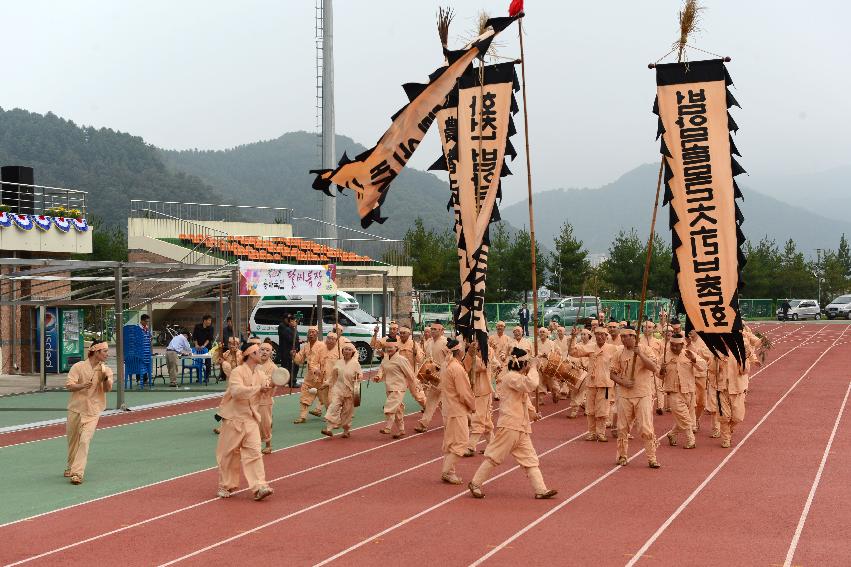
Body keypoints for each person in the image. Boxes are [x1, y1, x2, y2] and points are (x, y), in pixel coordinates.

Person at [468, 348, 557, 500]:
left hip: (521, 427)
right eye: (527, 364)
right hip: (509, 425)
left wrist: (533, 414)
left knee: (530, 460)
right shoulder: (511, 377)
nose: (528, 366)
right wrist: (535, 367)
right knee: (494, 457)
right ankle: (475, 483)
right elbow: (531, 384)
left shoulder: (518, 379)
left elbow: (525, 399)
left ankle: (541, 490)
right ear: (520, 364)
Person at [215, 343, 274, 501]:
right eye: (259, 351)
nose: (262, 353)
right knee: (228, 454)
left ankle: (259, 486)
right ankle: (225, 485)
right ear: (250, 354)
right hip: (233, 419)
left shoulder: (260, 374)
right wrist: (257, 388)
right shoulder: (237, 372)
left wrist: (268, 387)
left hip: (251, 419)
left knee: (255, 453)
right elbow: (236, 392)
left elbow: (266, 388)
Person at [64, 340, 114, 485]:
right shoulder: (78, 367)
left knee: (85, 440)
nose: (107, 354)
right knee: (73, 441)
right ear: (96, 351)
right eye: (104, 351)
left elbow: (107, 389)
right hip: (75, 408)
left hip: (93, 410)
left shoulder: (106, 370)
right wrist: (81, 386)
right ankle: (71, 466)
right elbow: (69, 385)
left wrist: (105, 380)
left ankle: (77, 473)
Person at [610, 327, 661, 468]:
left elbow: (653, 367)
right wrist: (623, 382)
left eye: (627, 336)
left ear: (634, 336)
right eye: (622, 336)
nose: (624, 339)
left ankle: (652, 458)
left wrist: (640, 355)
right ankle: (622, 455)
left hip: (643, 394)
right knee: (622, 428)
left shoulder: (645, 350)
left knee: (646, 428)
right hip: (625, 394)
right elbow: (612, 373)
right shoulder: (618, 352)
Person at [570, 327, 620, 442]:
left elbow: (624, 353)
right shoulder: (590, 347)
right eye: (597, 334)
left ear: (606, 336)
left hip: (605, 384)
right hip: (591, 383)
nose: (600, 336)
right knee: (590, 410)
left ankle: (601, 433)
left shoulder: (613, 348)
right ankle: (592, 433)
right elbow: (573, 352)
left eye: (602, 334)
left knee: (603, 410)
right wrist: (573, 337)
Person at [659, 334, 706, 449]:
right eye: (672, 345)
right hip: (673, 391)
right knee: (685, 417)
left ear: (682, 345)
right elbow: (659, 375)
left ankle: (672, 434)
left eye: (677, 346)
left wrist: (693, 359)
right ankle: (691, 440)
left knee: (685, 416)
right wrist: (662, 370)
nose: (674, 348)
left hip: (689, 391)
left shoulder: (689, 354)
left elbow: (703, 367)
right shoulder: (664, 356)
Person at [439, 339, 475, 485]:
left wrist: (471, 354)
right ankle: (447, 471)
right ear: (459, 351)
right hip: (456, 410)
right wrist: (472, 406)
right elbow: (464, 392)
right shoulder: (456, 368)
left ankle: (450, 471)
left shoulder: (446, 365)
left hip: (448, 409)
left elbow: (463, 367)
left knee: (450, 443)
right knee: (461, 443)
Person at [373, 338, 415, 439]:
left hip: (399, 387)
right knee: (398, 410)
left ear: (396, 347)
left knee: (389, 406)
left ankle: (388, 427)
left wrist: (416, 384)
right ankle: (401, 430)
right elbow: (382, 369)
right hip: (389, 386)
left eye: (391, 347)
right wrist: (378, 376)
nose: (388, 349)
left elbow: (410, 374)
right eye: (387, 347)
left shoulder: (402, 360)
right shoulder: (385, 358)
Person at [322, 343, 363, 438]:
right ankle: (329, 429)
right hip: (338, 389)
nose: (347, 351)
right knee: (333, 407)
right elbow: (333, 376)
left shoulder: (355, 364)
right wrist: (327, 383)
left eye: (349, 350)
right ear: (342, 351)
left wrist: (357, 377)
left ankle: (346, 430)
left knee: (346, 413)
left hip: (350, 391)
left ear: (352, 352)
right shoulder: (338, 362)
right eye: (345, 349)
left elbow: (360, 376)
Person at [415, 323, 448, 433]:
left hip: (444, 376)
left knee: (448, 402)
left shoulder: (445, 342)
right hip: (432, 376)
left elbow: (450, 359)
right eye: (432, 329)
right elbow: (426, 359)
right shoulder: (428, 343)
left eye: (435, 329)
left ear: (441, 330)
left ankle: (467, 420)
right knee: (431, 401)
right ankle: (424, 423)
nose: (433, 331)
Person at [465, 341, 494, 456]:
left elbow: (482, 366)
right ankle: (493, 445)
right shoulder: (470, 350)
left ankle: (471, 446)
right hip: (474, 390)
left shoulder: (487, 350)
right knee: (485, 420)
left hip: (483, 390)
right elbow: (466, 366)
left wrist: (472, 355)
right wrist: (469, 352)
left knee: (478, 418)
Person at [293, 327, 326, 423]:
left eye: (313, 332)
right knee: (304, 395)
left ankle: (330, 415)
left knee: (325, 397)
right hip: (309, 376)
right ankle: (303, 417)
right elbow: (299, 360)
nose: (311, 334)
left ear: (317, 334)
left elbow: (324, 361)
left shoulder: (322, 346)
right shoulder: (306, 346)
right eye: (309, 332)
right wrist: (294, 355)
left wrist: (318, 370)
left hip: (320, 375)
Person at [257, 342, 278, 454]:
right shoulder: (253, 363)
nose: (264, 352)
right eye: (262, 349)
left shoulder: (273, 367)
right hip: (252, 398)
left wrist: (266, 385)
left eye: (267, 350)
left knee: (264, 424)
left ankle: (268, 445)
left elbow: (272, 382)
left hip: (265, 399)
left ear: (270, 353)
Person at [277, 315, 300, 387]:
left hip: (295, 351)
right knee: (291, 367)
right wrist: (297, 341)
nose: (295, 323)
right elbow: (290, 340)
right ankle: (291, 382)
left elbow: (296, 339)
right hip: (288, 351)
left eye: (295, 321)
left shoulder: (295, 330)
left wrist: (298, 342)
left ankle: (293, 380)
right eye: (293, 321)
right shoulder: (287, 330)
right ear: (290, 322)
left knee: (296, 366)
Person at [193, 314, 215, 382]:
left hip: (207, 347)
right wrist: (196, 345)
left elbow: (209, 338)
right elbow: (194, 336)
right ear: (204, 321)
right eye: (209, 320)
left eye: (210, 320)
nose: (210, 322)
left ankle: (206, 377)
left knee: (207, 362)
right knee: (198, 361)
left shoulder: (211, 328)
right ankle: (198, 377)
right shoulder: (197, 327)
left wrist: (204, 346)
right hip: (198, 347)